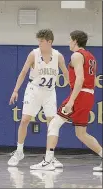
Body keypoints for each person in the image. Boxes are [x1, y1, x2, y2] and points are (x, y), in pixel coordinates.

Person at [30, 30, 102, 171]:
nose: (68, 42)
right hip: (89, 95)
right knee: (81, 134)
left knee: (53, 125)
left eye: (70, 40)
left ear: (75, 41)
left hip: (80, 95)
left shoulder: (76, 55)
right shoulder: (91, 56)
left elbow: (80, 79)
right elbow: (92, 80)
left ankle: (48, 161)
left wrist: (71, 101)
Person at [8, 29, 69, 167]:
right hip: (33, 90)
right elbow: (23, 72)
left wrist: (75, 91)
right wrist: (16, 90)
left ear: (50, 42)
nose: (39, 43)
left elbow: (66, 74)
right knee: (24, 120)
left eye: (42, 41)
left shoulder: (58, 56)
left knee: (52, 124)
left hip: (49, 92)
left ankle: (50, 156)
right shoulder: (33, 54)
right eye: (39, 41)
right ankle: (19, 151)